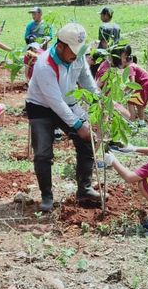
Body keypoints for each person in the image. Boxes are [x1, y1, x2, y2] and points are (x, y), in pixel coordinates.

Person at [26, 23, 101, 212]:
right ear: (60, 46)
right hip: (41, 107)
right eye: (73, 51)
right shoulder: (44, 65)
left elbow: (86, 79)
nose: (76, 56)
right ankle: (47, 197)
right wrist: (78, 125)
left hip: (68, 102)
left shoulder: (77, 56)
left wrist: (98, 103)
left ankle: (84, 189)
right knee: (43, 152)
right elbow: (55, 102)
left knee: (87, 140)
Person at [120, 45, 148, 127]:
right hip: (146, 85)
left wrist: (124, 92)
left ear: (125, 60)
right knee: (139, 104)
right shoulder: (133, 65)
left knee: (130, 102)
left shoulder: (130, 67)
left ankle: (132, 122)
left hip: (143, 86)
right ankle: (142, 122)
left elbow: (132, 83)